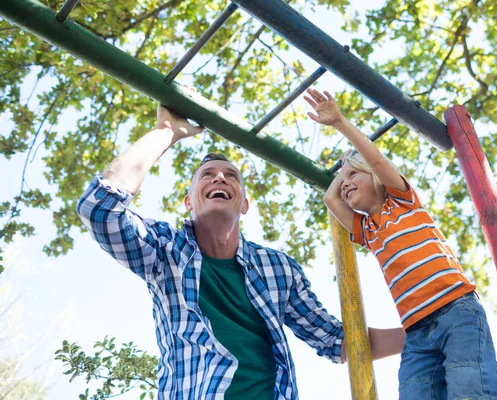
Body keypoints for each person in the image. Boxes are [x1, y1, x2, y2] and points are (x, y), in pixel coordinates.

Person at [77, 96, 404, 400]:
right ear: (189, 201)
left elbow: (338, 341)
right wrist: (167, 131)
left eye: (230, 175)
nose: (219, 178)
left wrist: (422, 332)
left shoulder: (277, 269)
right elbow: (99, 208)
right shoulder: (164, 252)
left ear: (244, 204)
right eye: (207, 175)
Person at [305, 88, 497, 399]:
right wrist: (346, 168)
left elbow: (379, 162)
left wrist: (341, 124)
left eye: (353, 177)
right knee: (413, 392)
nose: (345, 186)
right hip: (416, 332)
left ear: (375, 178)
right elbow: (330, 199)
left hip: (456, 309)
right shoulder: (367, 230)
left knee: (469, 389)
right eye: (344, 182)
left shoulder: (402, 201)